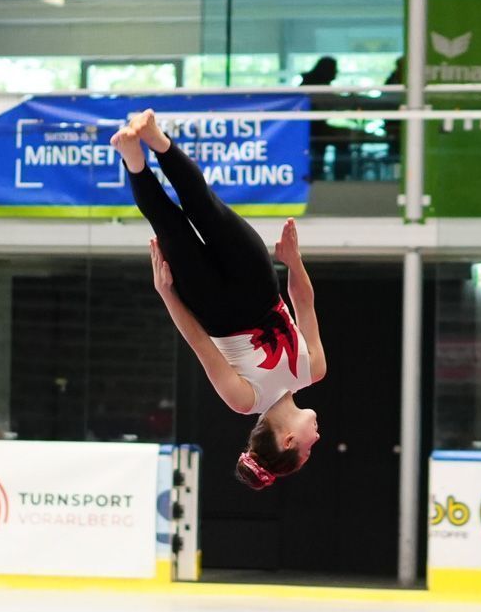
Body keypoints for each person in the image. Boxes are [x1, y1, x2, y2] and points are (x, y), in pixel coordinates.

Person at [111, 109, 325, 490]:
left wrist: (167, 295)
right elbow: (303, 303)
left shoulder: (246, 400)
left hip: (214, 309)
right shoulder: (314, 370)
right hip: (259, 284)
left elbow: (199, 343)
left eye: (309, 451)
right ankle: (157, 139)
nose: (317, 442)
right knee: (206, 208)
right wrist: (294, 263)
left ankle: (133, 157)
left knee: (169, 223)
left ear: (288, 441)